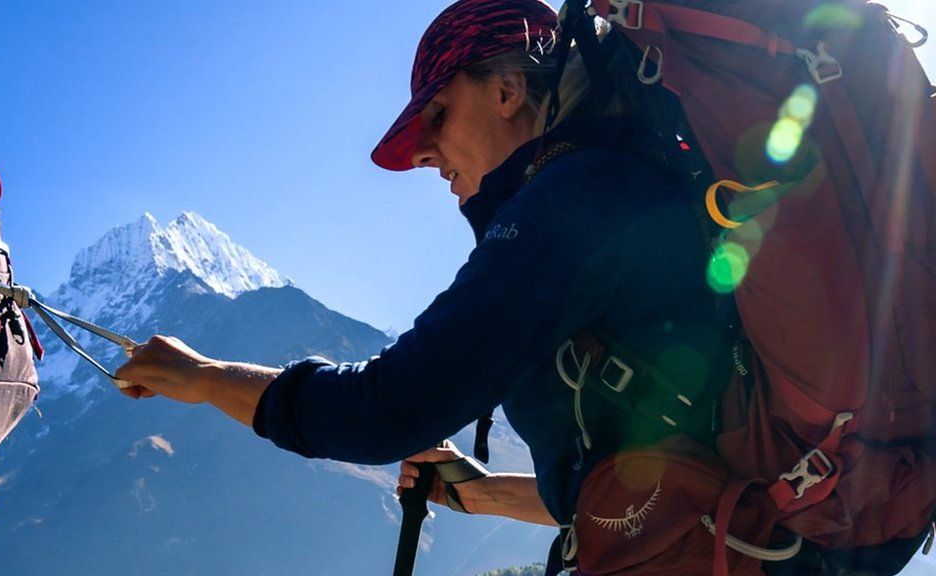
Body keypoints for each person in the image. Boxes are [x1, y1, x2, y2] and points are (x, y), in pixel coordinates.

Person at [117, 0, 730, 551]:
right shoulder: (627, 181)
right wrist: (478, 492)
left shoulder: (570, 201)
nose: (420, 155)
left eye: (437, 115)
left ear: (507, 91)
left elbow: (383, 409)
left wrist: (201, 377)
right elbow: (627, 485)